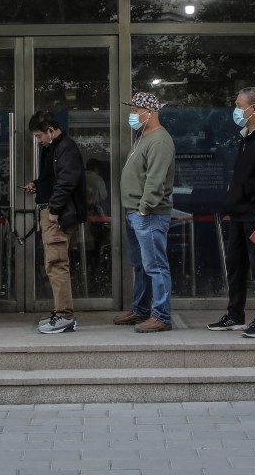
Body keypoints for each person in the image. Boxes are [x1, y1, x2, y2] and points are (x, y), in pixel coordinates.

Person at [208, 87, 255, 339]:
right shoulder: (247, 136)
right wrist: (231, 207)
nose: (236, 109)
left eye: (239, 104)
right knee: (235, 266)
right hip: (239, 214)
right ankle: (235, 315)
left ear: (254, 107)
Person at [114, 92, 175, 334]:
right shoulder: (143, 137)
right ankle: (141, 311)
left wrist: (143, 209)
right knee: (141, 265)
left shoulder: (159, 140)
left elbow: (155, 180)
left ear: (149, 112)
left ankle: (161, 316)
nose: (132, 114)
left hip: (148, 215)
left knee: (156, 266)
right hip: (137, 213)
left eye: (136, 110)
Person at [24, 111, 87, 334]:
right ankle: (61, 312)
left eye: (39, 135)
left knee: (57, 263)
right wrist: (38, 185)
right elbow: (53, 179)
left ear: (51, 130)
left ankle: (65, 316)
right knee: (53, 262)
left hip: (58, 215)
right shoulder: (53, 148)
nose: (38, 140)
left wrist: (55, 210)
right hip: (53, 211)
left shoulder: (65, 148)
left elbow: (67, 180)